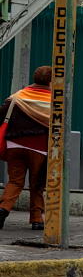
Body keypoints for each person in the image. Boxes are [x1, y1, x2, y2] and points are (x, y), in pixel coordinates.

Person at [0, 66, 52, 230]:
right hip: (39, 148)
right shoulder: (55, 100)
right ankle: (37, 219)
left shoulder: (18, 96)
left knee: (15, 181)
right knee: (37, 184)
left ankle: (2, 209)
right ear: (52, 81)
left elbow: (1, 114)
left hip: (14, 145)